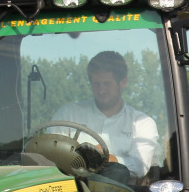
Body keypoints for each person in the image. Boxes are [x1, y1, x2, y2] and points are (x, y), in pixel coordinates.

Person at [52, 50, 161, 182]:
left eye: (107, 84)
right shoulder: (68, 114)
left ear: (123, 82)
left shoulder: (142, 123)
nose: (101, 90)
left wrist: (105, 159)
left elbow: (139, 166)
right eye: (96, 84)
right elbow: (50, 153)